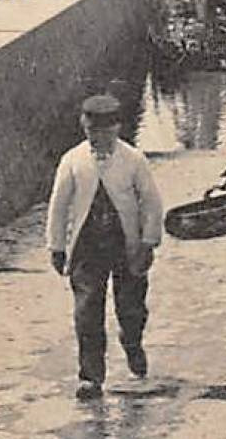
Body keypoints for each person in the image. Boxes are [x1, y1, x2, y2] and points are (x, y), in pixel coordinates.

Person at [46, 94, 164, 400]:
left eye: (105, 133)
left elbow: (151, 203)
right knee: (86, 310)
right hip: (87, 246)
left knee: (131, 307)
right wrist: (56, 246)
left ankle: (133, 343)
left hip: (126, 243)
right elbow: (58, 207)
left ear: (117, 129)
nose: (98, 139)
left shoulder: (133, 159)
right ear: (83, 128)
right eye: (91, 133)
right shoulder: (72, 160)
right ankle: (90, 376)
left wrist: (148, 242)